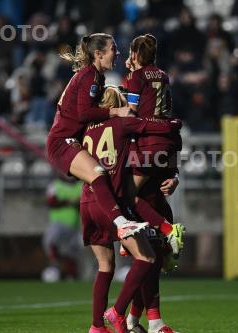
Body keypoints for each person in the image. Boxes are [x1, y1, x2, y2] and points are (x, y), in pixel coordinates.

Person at [81, 86, 181, 333]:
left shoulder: (86, 131)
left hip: (87, 203)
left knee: (105, 267)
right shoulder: (121, 124)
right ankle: (119, 313)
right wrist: (173, 124)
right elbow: (156, 129)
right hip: (112, 205)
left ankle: (97, 327)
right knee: (147, 257)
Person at [46, 33, 148, 240]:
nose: (117, 53)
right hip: (62, 142)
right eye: (113, 49)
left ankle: (121, 223)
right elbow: (84, 113)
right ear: (99, 54)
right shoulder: (90, 75)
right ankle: (121, 223)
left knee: (99, 177)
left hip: (68, 139)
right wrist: (116, 112)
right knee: (98, 174)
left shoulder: (92, 75)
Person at [41, 174, 82, 282]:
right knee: (51, 242)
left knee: (71, 252)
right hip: (58, 223)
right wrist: (69, 202)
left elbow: (84, 202)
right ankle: (55, 267)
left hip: (75, 225)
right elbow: (50, 202)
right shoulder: (55, 185)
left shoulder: (81, 185)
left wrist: (71, 202)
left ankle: (72, 276)